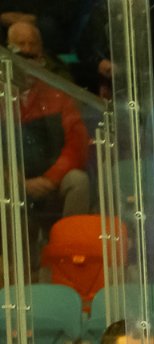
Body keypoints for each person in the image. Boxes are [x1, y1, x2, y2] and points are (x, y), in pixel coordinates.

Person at [11, 22, 91, 222]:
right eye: (21, 46)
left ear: (41, 54)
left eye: (32, 45)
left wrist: (50, 179)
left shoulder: (58, 92)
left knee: (78, 181)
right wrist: (15, 181)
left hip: (53, 179)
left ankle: (71, 240)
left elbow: (77, 144)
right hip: (10, 183)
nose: (27, 50)